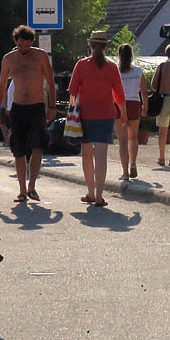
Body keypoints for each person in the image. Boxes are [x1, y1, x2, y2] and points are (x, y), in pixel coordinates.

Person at [0, 25, 57, 203]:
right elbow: (1, 87)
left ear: (32, 43)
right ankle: (22, 190)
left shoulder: (40, 56)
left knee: (38, 146)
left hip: (37, 107)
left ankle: (32, 186)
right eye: (21, 45)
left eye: (27, 46)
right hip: (18, 108)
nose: (24, 49)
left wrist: (51, 106)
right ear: (16, 42)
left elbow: (51, 83)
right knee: (18, 150)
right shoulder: (8, 59)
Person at [68, 30, 126, 207]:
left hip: (85, 115)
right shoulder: (111, 67)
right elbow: (119, 94)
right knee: (101, 156)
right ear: (106, 46)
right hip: (106, 115)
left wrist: (73, 111)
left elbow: (72, 91)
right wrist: (123, 112)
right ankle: (100, 196)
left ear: (90, 45)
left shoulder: (81, 65)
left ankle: (90, 192)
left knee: (87, 155)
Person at [114, 43, 148, 180]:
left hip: (118, 104)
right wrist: (145, 107)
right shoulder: (138, 71)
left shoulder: (116, 71)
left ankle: (124, 172)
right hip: (134, 103)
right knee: (133, 137)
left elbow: (111, 91)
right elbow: (144, 92)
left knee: (122, 140)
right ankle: (133, 163)